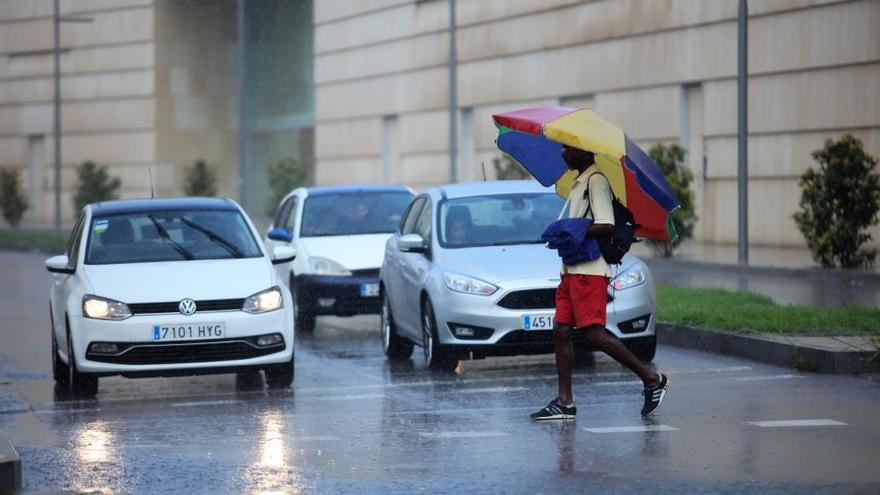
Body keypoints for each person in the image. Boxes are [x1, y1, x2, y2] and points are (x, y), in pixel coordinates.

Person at [530, 144, 669, 421]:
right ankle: (565, 402)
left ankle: (652, 379)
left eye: (567, 149)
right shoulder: (578, 182)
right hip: (571, 270)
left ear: (583, 152)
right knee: (560, 330)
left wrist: (572, 229)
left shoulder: (596, 181)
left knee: (593, 333)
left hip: (589, 272)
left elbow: (605, 222)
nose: (562, 153)